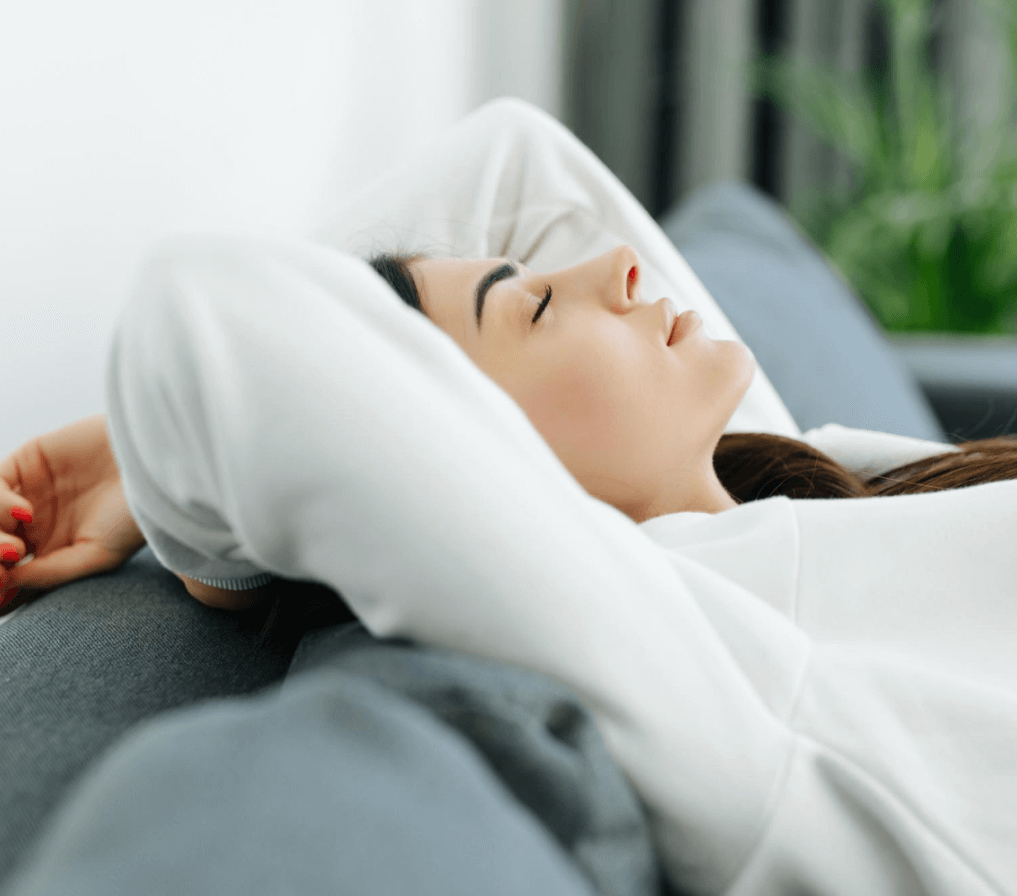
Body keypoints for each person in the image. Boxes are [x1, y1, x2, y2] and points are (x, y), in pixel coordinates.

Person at [2, 95, 1016, 896]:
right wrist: (174, 508)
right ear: (482, 465)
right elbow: (206, 310)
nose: (616, 264)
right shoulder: (711, 668)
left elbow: (514, 156)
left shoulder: (774, 498)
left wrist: (130, 476)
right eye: (531, 306)